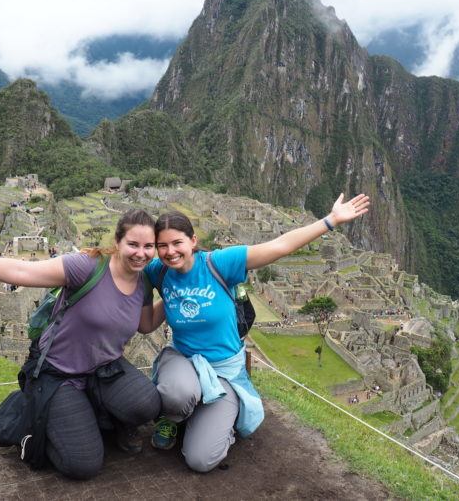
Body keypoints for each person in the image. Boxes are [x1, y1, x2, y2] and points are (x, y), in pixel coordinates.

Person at [0, 209, 162, 480]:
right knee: (82, 464)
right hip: (58, 372)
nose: (141, 253)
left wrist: (178, 297)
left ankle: (100, 419)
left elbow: (145, 324)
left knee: (147, 404)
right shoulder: (87, 266)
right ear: (118, 242)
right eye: (133, 244)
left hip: (103, 371)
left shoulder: (143, 281)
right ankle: (28, 410)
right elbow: (20, 270)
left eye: (148, 246)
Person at [139, 193, 369, 472]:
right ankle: (173, 418)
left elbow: (280, 246)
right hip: (183, 360)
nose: (170, 251)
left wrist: (330, 220)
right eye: (162, 246)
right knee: (177, 394)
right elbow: (123, 266)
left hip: (224, 370)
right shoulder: (157, 272)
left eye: (177, 242)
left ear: (193, 241)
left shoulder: (219, 263)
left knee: (201, 461)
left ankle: (215, 418)